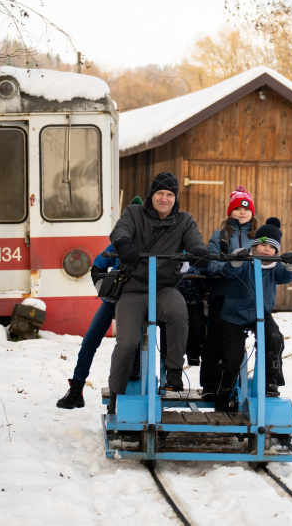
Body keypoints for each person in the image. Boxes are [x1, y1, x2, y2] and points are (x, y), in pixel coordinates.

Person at [107, 172, 209, 414]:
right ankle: (116, 393)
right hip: (132, 288)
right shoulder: (134, 213)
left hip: (163, 288)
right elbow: (121, 230)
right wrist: (124, 244)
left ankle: (173, 372)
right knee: (127, 343)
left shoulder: (184, 220)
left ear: (175, 198)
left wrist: (198, 250)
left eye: (170, 194)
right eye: (160, 193)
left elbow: (194, 240)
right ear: (152, 195)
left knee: (178, 310)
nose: (164, 199)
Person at [56, 197, 144, 409]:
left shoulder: (152, 242)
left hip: (139, 301)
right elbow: (97, 266)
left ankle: (123, 390)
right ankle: (77, 389)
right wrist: (105, 292)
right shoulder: (118, 243)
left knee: (130, 343)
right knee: (90, 340)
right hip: (115, 300)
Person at [215, 217, 292, 411]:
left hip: (262, 313)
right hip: (235, 314)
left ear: (277, 251)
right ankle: (223, 391)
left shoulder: (275, 266)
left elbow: (286, 276)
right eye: (263, 245)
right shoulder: (247, 262)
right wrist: (236, 260)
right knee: (232, 356)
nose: (267, 249)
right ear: (254, 245)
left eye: (272, 247)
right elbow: (229, 272)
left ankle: (270, 381)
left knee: (274, 338)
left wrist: (291, 265)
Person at [199, 185, 260, 401]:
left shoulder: (259, 237)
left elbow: (267, 261)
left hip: (249, 296)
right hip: (223, 294)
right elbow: (211, 265)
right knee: (216, 332)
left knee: (265, 333)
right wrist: (232, 266)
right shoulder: (221, 236)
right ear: (230, 212)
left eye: (246, 209)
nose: (242, 212)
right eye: (238, 208)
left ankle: (257, 382)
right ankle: (209, 384)